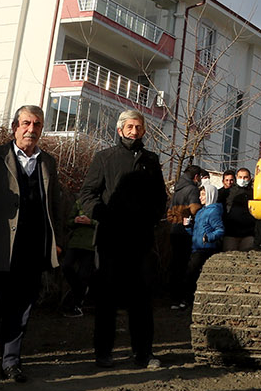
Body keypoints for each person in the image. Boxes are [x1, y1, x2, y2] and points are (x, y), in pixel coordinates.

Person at [0, 105, 67, 383]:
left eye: (37, 124)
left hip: (32, 248)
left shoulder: (48, 162)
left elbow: (55, 205)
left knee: (21, 308)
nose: (31, 129)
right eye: (26, 123)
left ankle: (11, 362)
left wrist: (57, 241)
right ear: (14, 127)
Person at [79, 109, 168, 369]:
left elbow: (160, 196)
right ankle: (103, 352)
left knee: (142, 298)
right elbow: (88, 194)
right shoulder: (105, 157)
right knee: (107, 298)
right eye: (129, 127)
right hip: (111, 238)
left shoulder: (151, 160)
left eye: (138, 127)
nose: (134, 131)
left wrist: (152, 217)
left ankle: (143, 353)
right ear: (120, 130)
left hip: (141, 239)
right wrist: (103, 216)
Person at [166, 164, 205, 310]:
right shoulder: (192, 189)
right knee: (185, 266)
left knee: (175, 264)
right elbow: (194, 209)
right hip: (186, 232)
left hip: (174, 230)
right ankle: (184, 298)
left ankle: (173, 298)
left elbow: (170, 213)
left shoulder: (177, 189)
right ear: (196, 177)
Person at [59, 199, 97, 317]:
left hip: (91, 244)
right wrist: (75, 220)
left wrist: (90, 222)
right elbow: (69, 222)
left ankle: (77, 306)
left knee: (83, 275)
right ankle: (81, 290)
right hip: (75, 242)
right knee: (66, 266)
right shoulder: (79, 202)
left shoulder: (101, 202)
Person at [187, 184, 226, 287]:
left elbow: (220, 230)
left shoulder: (213, 211)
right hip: (196, 247)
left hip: (205, 249)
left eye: (203, 194)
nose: (200, 197)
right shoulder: (200, 212)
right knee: (190, 275)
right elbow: (196, 232)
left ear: (210, 195)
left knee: (191, 274)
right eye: (200, 195)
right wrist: (188, 227)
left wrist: (208, 237)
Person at [221, 167, 257, 251]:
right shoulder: (228, 192)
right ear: (236, 177)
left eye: (245, 177)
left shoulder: (254, 193)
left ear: (249, 178)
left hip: (248, 233)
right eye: (240, 177)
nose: (242, 179)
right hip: (230, 233)